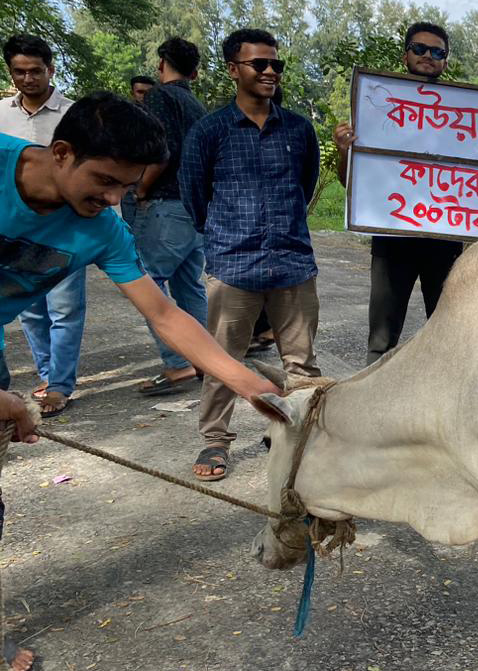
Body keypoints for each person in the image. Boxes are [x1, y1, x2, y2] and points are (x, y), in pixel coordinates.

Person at [0, 90, 280, 671]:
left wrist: (246, 382)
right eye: (103, 181)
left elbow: (166, 315)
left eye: (127, 188)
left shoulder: (103, 227)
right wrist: (9, 402)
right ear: (61, 152)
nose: (112, 201)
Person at [332, 21, 478, 366]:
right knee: (382, 336)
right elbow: (352, 185)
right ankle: (373, 408)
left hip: (445, 238)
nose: (428, 57)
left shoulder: (473, 107)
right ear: (405, 54)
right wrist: (346, 150)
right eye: (420, 49)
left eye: (438, 52)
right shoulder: (377, 103)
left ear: (445, 61)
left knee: (448, 328)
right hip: (393, 238)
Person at [181, 28, 322, 480]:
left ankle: (295, 436)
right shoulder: (209, 130)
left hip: (292, 262)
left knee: (300, 365)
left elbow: (305, 185)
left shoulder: (298, 129)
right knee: (223, 359)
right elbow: (193, 195)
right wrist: (228, 235)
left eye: (276, 64)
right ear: (233, 69)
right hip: (233, 265)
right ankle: (214, 441)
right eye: (259, 64)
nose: (269, 72)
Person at [0, 34, 84, 417]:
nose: (28, 78)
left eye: (36, 70)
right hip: (14, 233)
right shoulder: (2, 114)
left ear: (51, 70)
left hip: (63, 229)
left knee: (64, 308)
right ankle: (48, 372)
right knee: (30, 309)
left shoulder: (75, 115)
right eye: (20, 71)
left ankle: (60, 386)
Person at [130, 37, 208, 396]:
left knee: (145, 283)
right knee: (189, 286)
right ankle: (206, 360)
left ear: (162, 64)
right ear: (194, 71)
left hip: (164, 205)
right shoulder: (196, 105)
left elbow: (162, 152)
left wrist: (141, 189)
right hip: (194, 208)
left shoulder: (161, 97)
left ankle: (178, 364)